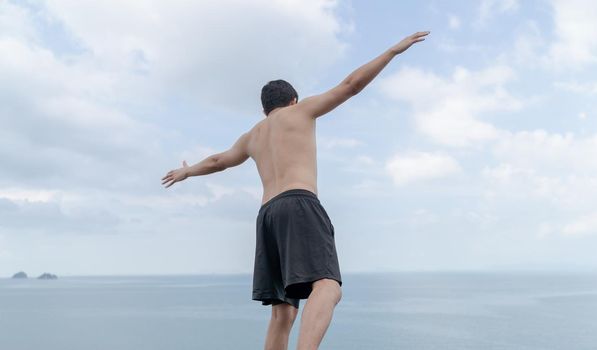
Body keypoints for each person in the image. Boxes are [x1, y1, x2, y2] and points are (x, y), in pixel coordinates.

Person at [161, 31, 429, 350]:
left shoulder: (252, 135)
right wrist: (391, 52)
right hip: (298, 203)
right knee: (328, 287)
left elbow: (220, 160)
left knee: (283, 310)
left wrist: (187, 170)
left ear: (264, 110)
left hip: (267, 216)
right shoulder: (300, 112)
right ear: (292, 100)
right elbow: (350, 86)